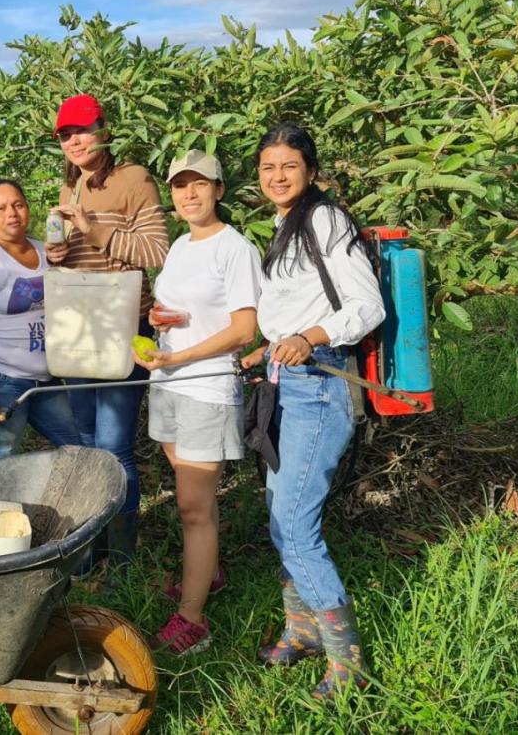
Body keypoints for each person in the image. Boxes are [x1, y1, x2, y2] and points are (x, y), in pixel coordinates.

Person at [239, 122, 385, 699]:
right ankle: (301, 631)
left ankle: (348, 662)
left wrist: (308, 335)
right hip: (287, 380)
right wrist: (270, 344)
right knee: (281, 515)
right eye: (268, 167)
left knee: (296, 526)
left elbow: (365, 305)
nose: (277, 177)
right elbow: (296, 305)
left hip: (321, 384)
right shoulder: (285, 224)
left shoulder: (326, 220)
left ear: (311, 171)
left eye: (289, 167)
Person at [129, 150, 261, 655]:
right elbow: (184, 309)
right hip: (169, 381)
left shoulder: (235, 249)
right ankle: (209, 573)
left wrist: (180, 353)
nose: (189, 194)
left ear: (219, 191)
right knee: (191, 497)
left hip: (205, 386)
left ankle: (193, 618)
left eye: (199, 185)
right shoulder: (181, 246)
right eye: (180, 186)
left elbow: (244, 329)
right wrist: (162, 322)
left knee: (193, 507)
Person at [45, 94, 169, 562]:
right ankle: (96, 546)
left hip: (123, 326)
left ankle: (122, 555)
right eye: (64, 135)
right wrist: (59, 253)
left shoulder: (133, 178)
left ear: (105, 130)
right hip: (79, 329)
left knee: (114, 447)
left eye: (81, 130)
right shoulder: (69, 188)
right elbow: (80, 262)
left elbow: (157, 253)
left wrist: (93, 229)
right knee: (91, 444)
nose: (73, 141)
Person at [0, 179, 83, 460]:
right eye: (1, 209)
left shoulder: (47, 251)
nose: (12, 213)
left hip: (44, 379)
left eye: (18, 205)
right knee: (2, 459)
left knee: (77, 445)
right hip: (1, 378)